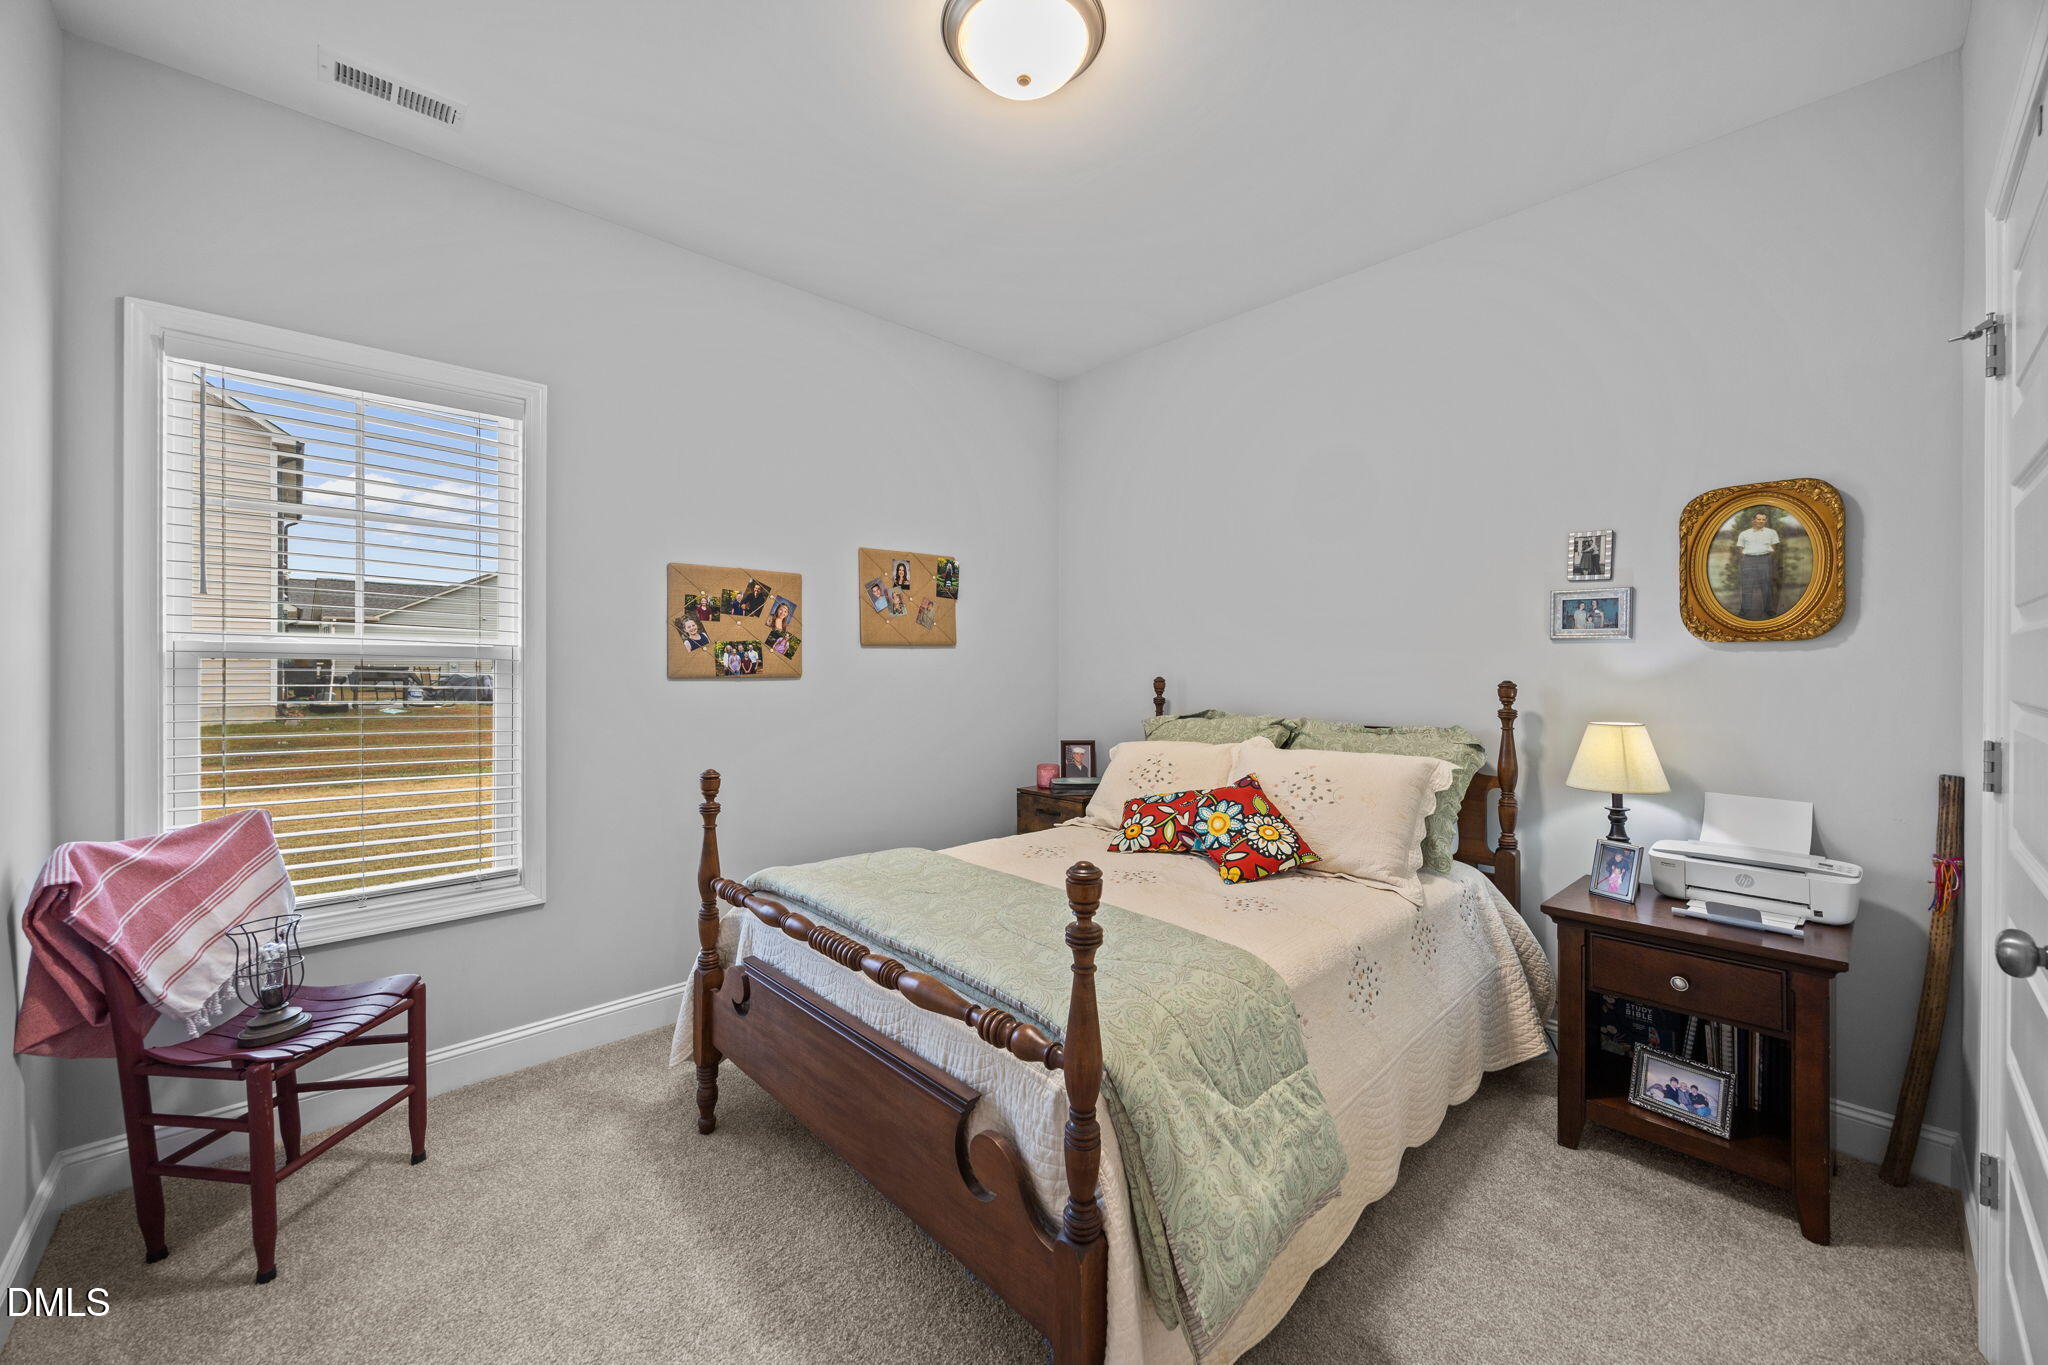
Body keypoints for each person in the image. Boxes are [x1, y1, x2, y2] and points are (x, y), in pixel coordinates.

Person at [1734, 510, 1782, 619]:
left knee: (1766, 586)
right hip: (1748, 561)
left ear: (1766, 521)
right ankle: (1745, 611)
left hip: (1765, 560)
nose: (1761, 522)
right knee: (1747, 586)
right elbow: (1741, 548)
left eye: (1763, 520)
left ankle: (1769, 610)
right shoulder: (1744, 534)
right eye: (1758, 519)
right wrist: (1748, 558)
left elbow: (1773, 547)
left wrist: (1764, 556)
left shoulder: (1771, 532)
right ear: (1753, 520)